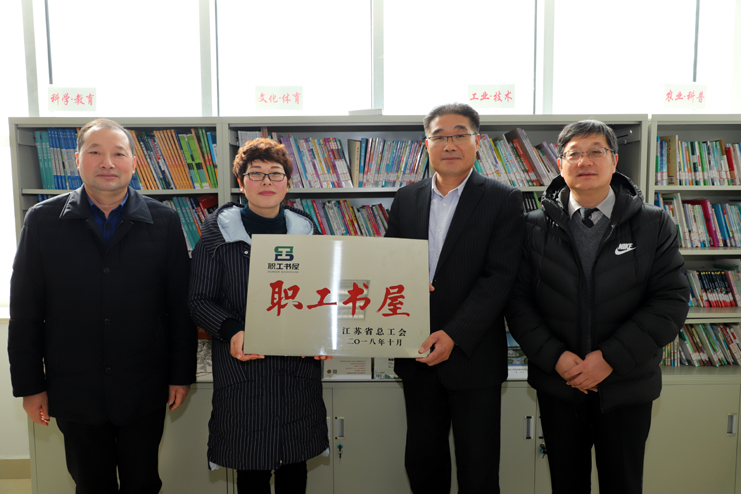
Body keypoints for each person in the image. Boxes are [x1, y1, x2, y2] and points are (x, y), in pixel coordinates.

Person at [8, 118, 196, 494]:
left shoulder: (163, 221)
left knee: (143, 482)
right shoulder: (43, 220)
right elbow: (25, 311)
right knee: (91, 484)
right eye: (95, 152)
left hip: (143, 384)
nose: (107, 162)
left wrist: (181, 374)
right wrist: (30, 386)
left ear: (134, 164)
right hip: (74, 386)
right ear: (77, 160)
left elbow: (179, 305)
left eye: (118, 153)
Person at [506, 119, 690, 494]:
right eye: (574, 153)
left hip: (626, 385)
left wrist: (609, 359)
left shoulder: (654, 223)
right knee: (566, 484)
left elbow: (670, 301)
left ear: (614, 160)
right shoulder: (532, 227)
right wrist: (556, 358)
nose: (585, 161)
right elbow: (518, 303)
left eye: (596, 151)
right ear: (560, 163)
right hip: (560, 385)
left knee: (623, 483)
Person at [384, 103, 525, 494]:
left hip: (472, 356)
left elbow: (500, 277)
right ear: (426, 144)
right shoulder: (406, 198)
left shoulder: (502, 199)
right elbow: (390, 265)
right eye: (440, 136)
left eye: (460, 135)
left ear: (477, 142)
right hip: (416, 353)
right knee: (423, 463)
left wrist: (454, 334)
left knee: (478, 469)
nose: (450, 144)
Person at [188, 138, 330, 494]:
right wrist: (233, 330)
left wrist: (323, 335)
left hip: (297, 369)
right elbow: (199, 300)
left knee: (295, 465)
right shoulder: (217, 234)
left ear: (287, 183)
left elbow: (323, 292)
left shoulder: (307, 231)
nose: (266, 181)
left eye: (275, 173)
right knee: (251, 465)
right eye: (256, 174)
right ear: (241, 183)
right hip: (244, 368)